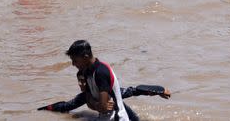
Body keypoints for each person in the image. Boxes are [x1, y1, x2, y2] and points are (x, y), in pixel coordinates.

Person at [39, 43, 170, 121]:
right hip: (101, 106)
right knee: (68, 106)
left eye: (75, 61)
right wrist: (95, 104)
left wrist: (158, 90)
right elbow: (88, 99)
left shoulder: (101, 72)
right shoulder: (81, 73)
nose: (73, 64)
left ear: (85, 57)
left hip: (116, 115)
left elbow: (127, 92)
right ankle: (41, 109)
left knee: (125, 103)